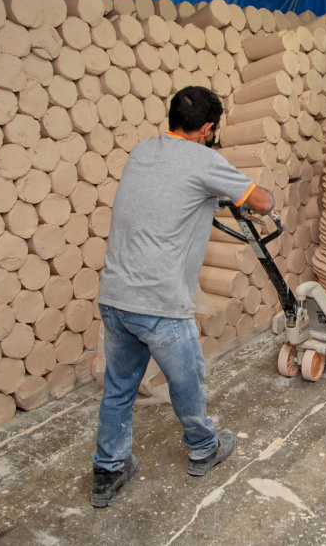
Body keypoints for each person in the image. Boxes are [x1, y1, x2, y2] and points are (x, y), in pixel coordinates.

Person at [90, 86, 274, 508]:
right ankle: (203, 448)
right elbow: (262, 202)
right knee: (186, 379)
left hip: (115, 296)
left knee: (119, 387)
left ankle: (108, 470)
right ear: (207, 128)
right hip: (159, 303)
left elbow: (167, 196)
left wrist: (213, 197)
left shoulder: (142, 150)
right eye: (214, 129)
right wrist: (251, 197)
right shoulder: (204, 159)